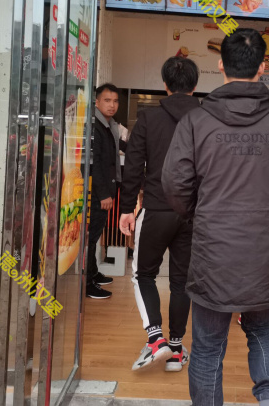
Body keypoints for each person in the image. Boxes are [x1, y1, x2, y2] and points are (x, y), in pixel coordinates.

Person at [162, 28, 269, 406]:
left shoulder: (196, 122)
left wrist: (201, 216)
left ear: (221, 65)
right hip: (267, 252)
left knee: (208, 347)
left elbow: (174, 185)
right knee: (263, 332)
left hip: (214, 252)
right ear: (262, 68)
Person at [119, 56, 201, 372]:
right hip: (194, 214)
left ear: (165, 85)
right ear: (195, 85)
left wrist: (127, 208)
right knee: (182, 281)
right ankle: (176, 349)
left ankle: (156, 339)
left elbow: (133, 166)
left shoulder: (148, 119)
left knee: (143, 274)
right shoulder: (207, 118)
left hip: (155, 209)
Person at [87, 83, 126, 299]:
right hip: (96, 193)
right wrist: (103, 194)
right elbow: (94, 163)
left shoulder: (108, 125)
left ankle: (92, 273)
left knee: (94, 236)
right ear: (97, 102)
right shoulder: (95, 126)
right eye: (107, 100)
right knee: (90, 238)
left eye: (115, 101)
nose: (112, 105)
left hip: (103, 190)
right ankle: (87, 284)